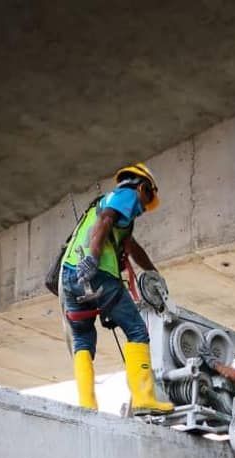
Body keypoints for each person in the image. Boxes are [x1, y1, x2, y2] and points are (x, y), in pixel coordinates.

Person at [60, 162, 173, 414]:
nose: (143, 208)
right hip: (98, 273)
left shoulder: (104, 204)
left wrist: (153, 272)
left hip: (70, 275)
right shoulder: (126, 195)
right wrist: (94, 256)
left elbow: (131, 247)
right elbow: (105, 220)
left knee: (81, 338)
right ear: (142, 186)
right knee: (136, 330)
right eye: (148, 199)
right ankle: (144, 398)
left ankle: (87, 405)